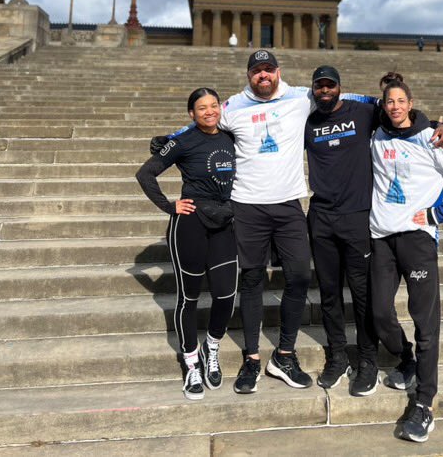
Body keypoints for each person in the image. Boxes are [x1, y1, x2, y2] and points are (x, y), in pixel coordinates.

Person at [153, 50, 379, 395]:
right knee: (253, 280)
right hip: (247, 207)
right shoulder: (231, 106)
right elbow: (203, 121)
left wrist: (421, 119)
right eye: (257, 70)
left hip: (289, 205)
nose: (263, 75)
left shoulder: (301, 96)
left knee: (301, 276)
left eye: (268, 69)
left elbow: (353, 98)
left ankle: (284, 355)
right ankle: (253, 358)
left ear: (278, 71)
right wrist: (171, 139)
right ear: (248, 75)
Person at [305, 67, 443, 398]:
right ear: (313, 89)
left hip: (358, 218)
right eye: (320, 86)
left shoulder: (363, 110)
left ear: (340, 87)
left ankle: (368, 361)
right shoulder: (307, 118)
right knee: (328, 294)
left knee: (363, 296)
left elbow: (400, 111)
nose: (325, 90)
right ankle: (338, 356)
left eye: (331, 85)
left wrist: (434, 125)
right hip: (321, 217)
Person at [369, 74, 443, 444]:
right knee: (380, 312)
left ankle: (425, 403)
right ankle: (408, 361)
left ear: (411, 104)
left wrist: (438, 214)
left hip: (417, 238)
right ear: (383, 105)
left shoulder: (431, 138)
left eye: (401, 101)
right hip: (382, 237)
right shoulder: (376, 135)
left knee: (425, 322)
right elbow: (349, 98)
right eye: (389, 101)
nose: (395, 106)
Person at [136, 88, 237, 400]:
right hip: (190, 224)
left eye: (213, 106)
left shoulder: (230, 137)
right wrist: (170, 207)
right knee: (188, 298)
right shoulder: (182, 142)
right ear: (191, 114)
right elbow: (146, 174)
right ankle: (191, 363)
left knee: (226, 295)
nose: (209, 112)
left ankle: (212, 347)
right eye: (201, 108)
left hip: (223, 223)